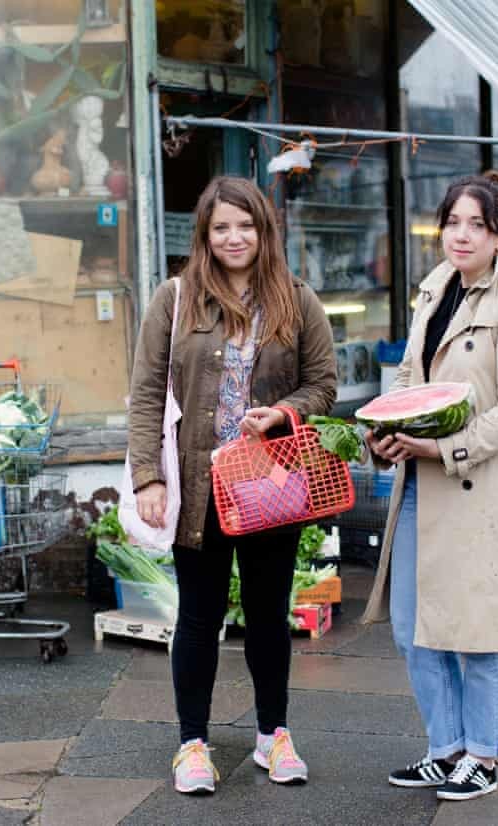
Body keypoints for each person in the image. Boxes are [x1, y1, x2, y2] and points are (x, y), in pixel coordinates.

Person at [127, 176, 337, 795]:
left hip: (270, 482)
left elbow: (324, 384)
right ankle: (192, 744)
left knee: (271, 616)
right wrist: (148, 476)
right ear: (205, 233)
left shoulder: (298, 300)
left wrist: (281, 413)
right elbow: (145, 393)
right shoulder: (176, 298)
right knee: (199, 617)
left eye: (245, 225)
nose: (234, 237)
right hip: (198, 483)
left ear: (264, 229)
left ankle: (273, 735)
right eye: (221, 227)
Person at [361, 170, 498, 802]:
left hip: (478, 489)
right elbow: (410, 376)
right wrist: (381, 432)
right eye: (453, 222)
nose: (461, 235)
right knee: (413, 625)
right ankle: (445, 749)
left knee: (477, 627)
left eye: (477, 225)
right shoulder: (435, 289)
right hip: (418, 485)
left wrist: (444, 448)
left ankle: (485, 754)